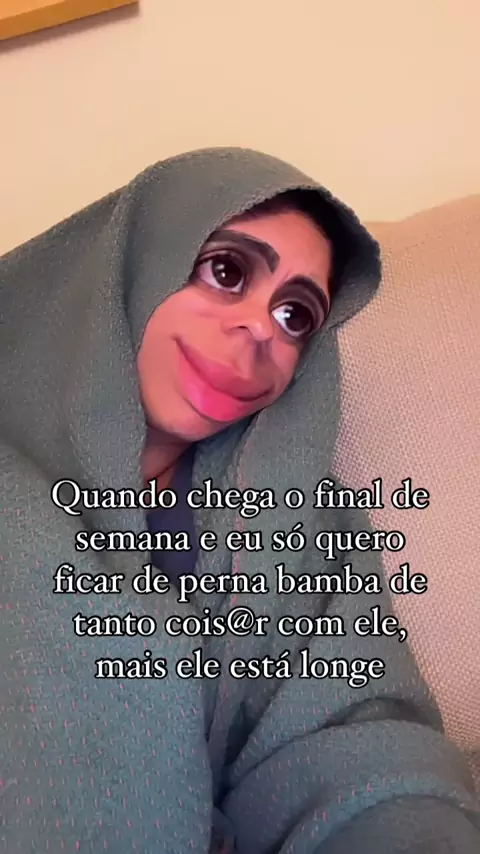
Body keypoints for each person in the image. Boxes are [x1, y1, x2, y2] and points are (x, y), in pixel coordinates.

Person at [0, 147, 478, 854]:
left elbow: (357, 738)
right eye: (227, 272)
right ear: (134, 267)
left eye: (294, 316)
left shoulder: (298, 520)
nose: (261, 327)